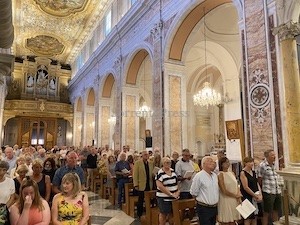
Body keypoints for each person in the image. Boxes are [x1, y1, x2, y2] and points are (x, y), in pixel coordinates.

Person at [190, 156, 219, 225]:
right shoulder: (199, 176)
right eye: (210, 161)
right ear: (204, 164)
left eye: (213, 162)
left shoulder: (214, 175)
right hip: (204, 208)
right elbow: (193, 192)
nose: (213, 163)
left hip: (214, 207)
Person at [258, 150, 282, 225]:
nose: (274, 156)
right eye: (272, 155)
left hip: (277, 190)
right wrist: (261, 191)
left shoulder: (275, 164)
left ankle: (276, 223)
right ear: (267, 157)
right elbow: (259, 179)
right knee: (267, 212)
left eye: (274, 155)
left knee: (276, 210)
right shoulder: (262, 165)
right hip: (268, 191)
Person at [155, 157, 179, 225]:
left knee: (172, 213)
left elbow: (177, 183)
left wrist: (177, 192)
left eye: (169, 162)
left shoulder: (173, 171)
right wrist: (170, 194)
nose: (168, 164)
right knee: (163, 214)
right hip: (163, 198)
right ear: (163, 163)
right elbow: (160, 186)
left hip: (174, 197)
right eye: (166, 162)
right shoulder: (160, 173)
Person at [218, 157, 241, 225]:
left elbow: (237, 185)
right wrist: (235, 195)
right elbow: (224, 190)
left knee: (234, 220)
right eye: (226, 162)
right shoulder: (220, 174)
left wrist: (238, 194)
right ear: (222, 164)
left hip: (234, 199)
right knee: (227, 220)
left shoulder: (232, 173)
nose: (228, 164)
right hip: (226, 199)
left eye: (228, 162)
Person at [240, 157, 263, 225]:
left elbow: (257, 183)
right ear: (245, 163)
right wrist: (254, 195)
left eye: (252, 162)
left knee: (255, 217)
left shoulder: (253, 172)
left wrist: (260, 194)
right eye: (249, 162)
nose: (251, 163)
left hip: (255, 195)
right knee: (248, 217)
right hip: (247, 196)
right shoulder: (243, 173)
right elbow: (245, 187)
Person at [133, 150, 154, 219]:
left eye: (147, 155)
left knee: (149, 199)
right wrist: (136, 184)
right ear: (142, 155)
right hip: (141, 184)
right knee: (141, 200)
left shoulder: (151, 163)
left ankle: (148, 213)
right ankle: (139, 214)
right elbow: (135, 174)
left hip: (149, 183)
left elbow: (152, 172)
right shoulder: (137, 163)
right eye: (145, 155)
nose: (146, 156)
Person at [0, 160, 15, 225]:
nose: (1, 172)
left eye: (4, 170)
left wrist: (4, 208)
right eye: (0, 169)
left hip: (4, 211)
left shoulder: (10, 181)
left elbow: (12, 197)